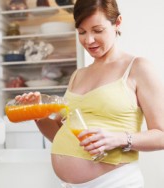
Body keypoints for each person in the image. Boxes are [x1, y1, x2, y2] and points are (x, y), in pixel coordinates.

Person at [14, 0, 164, 187]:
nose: (89, 40)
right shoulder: (79, 74)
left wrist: (118, 138)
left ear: (117, 22)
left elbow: (161, 135)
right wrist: (37, 114)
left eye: (97, 30)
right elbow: (59, 134)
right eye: (82, 32)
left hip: (116, 182)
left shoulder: (138, 68)